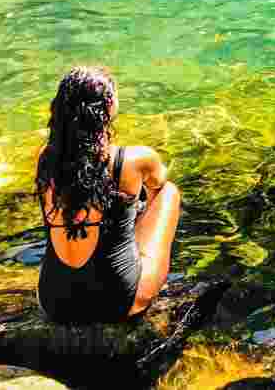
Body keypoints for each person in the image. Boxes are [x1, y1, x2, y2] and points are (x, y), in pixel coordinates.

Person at [34, 65, 181, 324]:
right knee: (169, 193)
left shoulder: (46, 159)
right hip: (116, 304)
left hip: (53, 302)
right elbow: (159, 181)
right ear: (109, 106)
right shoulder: (133, 159)